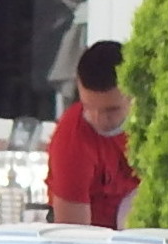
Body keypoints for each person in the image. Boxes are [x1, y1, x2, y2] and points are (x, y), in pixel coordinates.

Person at [47, 41, 141, 229]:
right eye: (89, 107)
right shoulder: (72, 140)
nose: (99, 119)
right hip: (95, 239)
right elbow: (73, 237)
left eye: (111, 110)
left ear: (133, 93)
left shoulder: (155, 120)